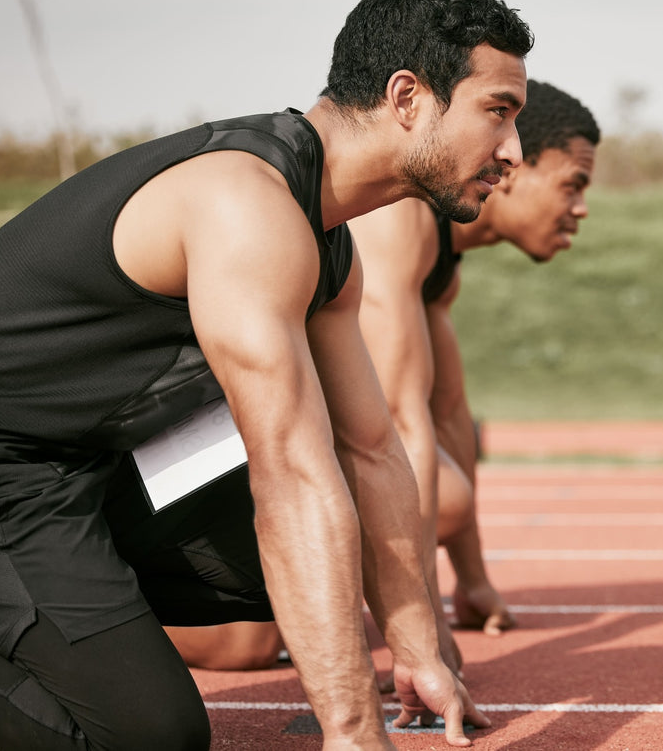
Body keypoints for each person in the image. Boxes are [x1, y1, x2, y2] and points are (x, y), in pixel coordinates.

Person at [0, 0, 532, 751]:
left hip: (78, 468)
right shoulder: (243, 204)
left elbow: (371, 449)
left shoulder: (326, 237)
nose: (513, 150)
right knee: (153, 737)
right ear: (407, 96)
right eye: (498, 112)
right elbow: (286, 472)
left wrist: (416, 644)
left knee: (331, 535)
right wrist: (354, 733)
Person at [166, 80, 600, 675]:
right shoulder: (403, 220)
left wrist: (470, 583)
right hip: (193, 430)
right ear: (520, 169)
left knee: (447, 491)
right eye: (572, 185)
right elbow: (396, 422)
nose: (580, 209)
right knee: (244, 645)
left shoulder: (443, 267)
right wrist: (419, 636)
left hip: (271, 435)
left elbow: (448, 414)